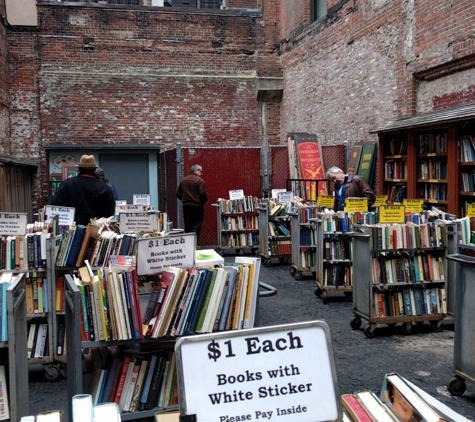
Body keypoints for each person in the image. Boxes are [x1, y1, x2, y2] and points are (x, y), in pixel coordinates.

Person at [50, 155, 116, 226]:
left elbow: (54, 206)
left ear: (79, 169)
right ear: (94, 170)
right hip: (95, 231)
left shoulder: (66, 184)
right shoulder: (104, 187)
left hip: (71, 230)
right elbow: (110, 213)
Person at [176, 164, 208, 240]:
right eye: (201, 171)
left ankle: (188, 244)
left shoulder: (184, 180)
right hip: (197, 206)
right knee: (196, 225)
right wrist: (202, 202)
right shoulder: (200, 180)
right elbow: (203, 193)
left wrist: (184, 199)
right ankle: (195, 244)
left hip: (186, 205)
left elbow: (177, 193)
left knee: (188, 225)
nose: (201, 173)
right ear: (196, 171)